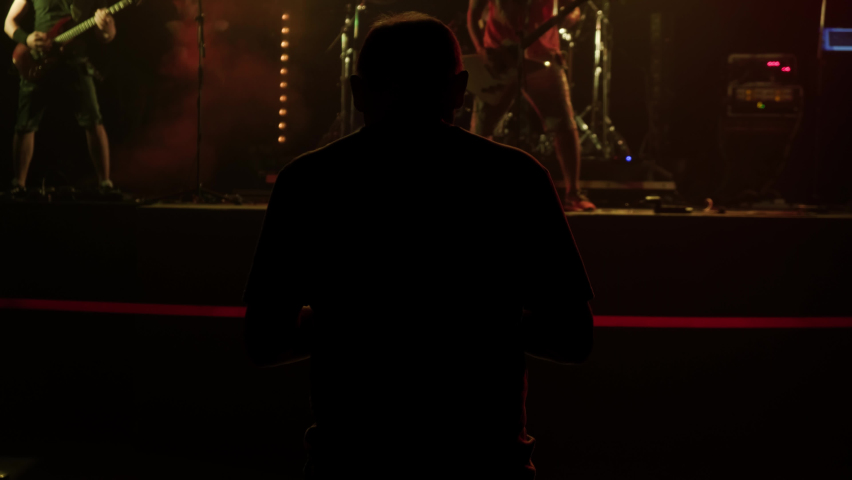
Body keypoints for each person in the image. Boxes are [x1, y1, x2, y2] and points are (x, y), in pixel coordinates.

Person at [244, 12, 594, 480]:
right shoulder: (517, 178)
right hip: (484, 459)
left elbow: (265, 340)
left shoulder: (307, 182)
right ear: (459, 89)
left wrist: (356, 321)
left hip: (352, 458)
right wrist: (477, 322)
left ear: (358, 91)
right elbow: (573, 338)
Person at [467, 0, 595, 211]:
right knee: (480, 131)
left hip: (543, 56)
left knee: (563, 123)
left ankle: (574, 193)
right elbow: (473, 14)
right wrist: (481, 50)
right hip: (499, 58)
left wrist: (569, 17)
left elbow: (573, 11)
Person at [4, 0, 118, 197]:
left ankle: (105, 184)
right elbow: (9, 22)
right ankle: (18, 184)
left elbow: (107, 36)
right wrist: (27, 39)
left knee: (93, 121)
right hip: (38, 59)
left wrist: (105, 29)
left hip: (75, 63)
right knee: (24, 125)